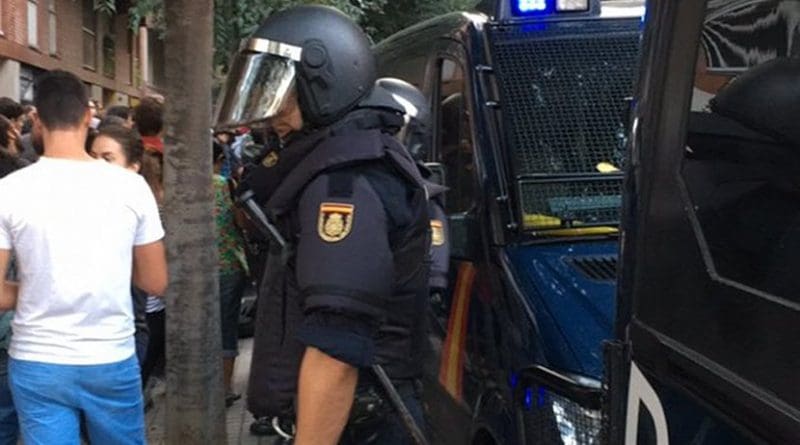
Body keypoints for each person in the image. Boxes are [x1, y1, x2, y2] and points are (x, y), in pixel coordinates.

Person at [216, 6, 431, 444]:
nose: (270, 111)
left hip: (359, 426)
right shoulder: (332, 166)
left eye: (282, 89)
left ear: (322, 82)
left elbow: (337, 346)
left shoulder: (346, 183)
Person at [0, 70, 167, 444]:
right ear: (85, 117)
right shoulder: (131, 187)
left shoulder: (8, 190)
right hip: (109, 354)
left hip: (37, 358)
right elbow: (155, 282)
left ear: (37, 121)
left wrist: (40, 288)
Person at [89, 124, 150, 366]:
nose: (97, 165)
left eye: (108, 158)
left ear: (133, 167)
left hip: (122, 330)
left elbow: (153, 279)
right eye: (92, 157)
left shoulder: (140, 203)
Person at [212, 142, 248, 407]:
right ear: (219, 158)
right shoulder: (226, 185)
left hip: (186, 271)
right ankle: (224, 387)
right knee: (226, 327)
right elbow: (242, 222)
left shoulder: (176, 184)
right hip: (228, 265)